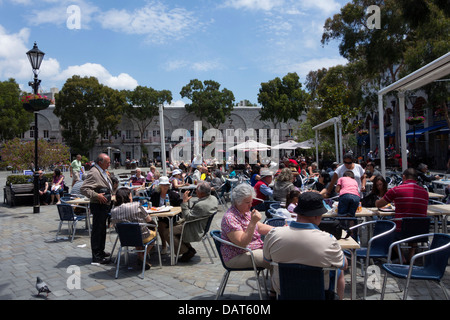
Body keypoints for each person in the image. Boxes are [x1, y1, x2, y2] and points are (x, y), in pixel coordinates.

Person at [263, 192, 348, 299]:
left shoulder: (273, 234)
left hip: (284, 291)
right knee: (339, 271)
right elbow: (344, 265)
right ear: (318, 216)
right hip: (318, 292)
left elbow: (266, 260)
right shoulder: (328, 240)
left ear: (297, 213)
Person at [375, 168, 429, 261]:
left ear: (403, 177)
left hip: (401, 230)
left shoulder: (396, 190)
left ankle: (402, 258)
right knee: (414, 224)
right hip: (421, 231)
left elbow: (379, 204)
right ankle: (411, 255)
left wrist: (376, 201)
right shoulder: (425, 192)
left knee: (389, 229)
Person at [220, 183, 273, 274]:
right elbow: (242, 243)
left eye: (251, 202)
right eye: (247, 202)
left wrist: (278, 229)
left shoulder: (244, 211)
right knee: (275, 260)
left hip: (253, 249)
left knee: (280, 252)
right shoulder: (230, 218)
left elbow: (259, 227)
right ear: (237, 202)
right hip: (236, 255)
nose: (250, 205)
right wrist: (252, 222)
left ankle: (277, 285)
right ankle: (278, 287)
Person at [168, 182, 218, 262]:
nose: (195, 192)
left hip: (195, 228)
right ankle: (189, 249)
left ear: (202, 193)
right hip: (202, 225)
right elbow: (193, 214)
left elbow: (187, 217)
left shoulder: (201, 205)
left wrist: (184, 202)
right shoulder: (213, 198)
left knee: (168, 232)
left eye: (196, 190)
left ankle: (186, 252)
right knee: (173, 227)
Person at [111, 187, 157, 270]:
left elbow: (115, 225)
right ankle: (142, 257)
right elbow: (149, 220)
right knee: (153, 233)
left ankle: (140, 256)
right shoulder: (136, 205)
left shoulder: (113, 211)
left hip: (125, 238)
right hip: (142, 236)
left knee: (135, 233)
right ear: (128, 196)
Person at [80, 153, 114, 264]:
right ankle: (97, 255)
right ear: (100, 162)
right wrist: (96, 195)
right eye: (107, 162)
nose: (109, 164)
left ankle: (101, 251)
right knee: (97, 230)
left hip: (105, 205)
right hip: (98, 205)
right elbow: (84, 189)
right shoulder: (94, 172)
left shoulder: (102, 171)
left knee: (102, 230)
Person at [150, 176, 182, 254]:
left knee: (161, 225)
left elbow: (179, 207)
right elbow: (152, 205)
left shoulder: (174, 195)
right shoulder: (155, 195)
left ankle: (164, 246)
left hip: (172, 217)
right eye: (163, 185)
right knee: (151, 224)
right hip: (160, 216)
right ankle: (151, 245)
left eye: (167, 185)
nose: (165, 187)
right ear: (160, 186)